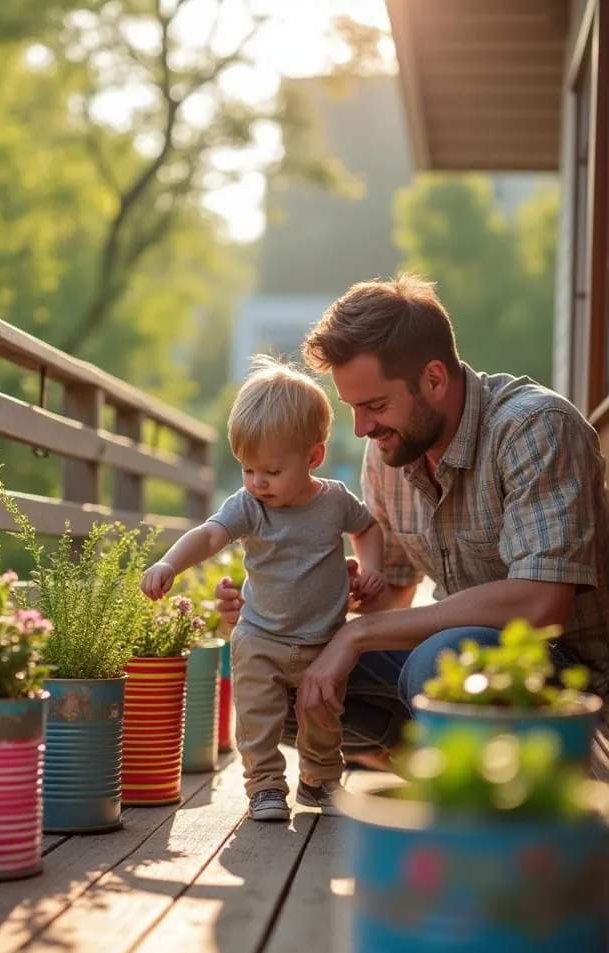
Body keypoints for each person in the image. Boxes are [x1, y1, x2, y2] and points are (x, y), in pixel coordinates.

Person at [217, 274, 609, 764]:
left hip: (575, 683)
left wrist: (357, 635)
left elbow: (540, 603)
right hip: (455, 669)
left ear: (435, 379)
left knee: (440, 659)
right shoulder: (389, 453)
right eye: (352, 409)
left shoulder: (534, 428)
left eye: (375, 405)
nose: (361, 429)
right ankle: (436, 767)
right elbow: (392, 601)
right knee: (285, 677)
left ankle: (503, 782)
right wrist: (276, 614)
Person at [140, 355, 387, 821]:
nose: (257, 482)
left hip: (323, 640)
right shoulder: (250, 505)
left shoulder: (334, 499)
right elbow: (211, 534)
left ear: (313, 458)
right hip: (260, 637)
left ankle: (320, 781)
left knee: (323, 715)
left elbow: (367, 528)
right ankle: (266, 786)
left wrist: (371, 566)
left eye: (270, 471)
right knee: (258, 718)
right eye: (247, 470)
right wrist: (171, 561)